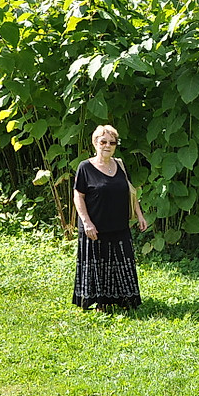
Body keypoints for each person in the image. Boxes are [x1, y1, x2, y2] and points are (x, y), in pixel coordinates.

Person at [72, 124, 148, 311]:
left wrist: (140, 215)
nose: (107, 145)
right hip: (95, 227)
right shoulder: (85, 168)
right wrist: (86, 222)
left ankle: (123, 300)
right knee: (98, 266)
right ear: (95, 143)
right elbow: (78, 196)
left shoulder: (120, 165)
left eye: (111, 142)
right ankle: (100, 304)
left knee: (122, 262)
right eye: (103, 141)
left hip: (119, 226)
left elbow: (131, 192)